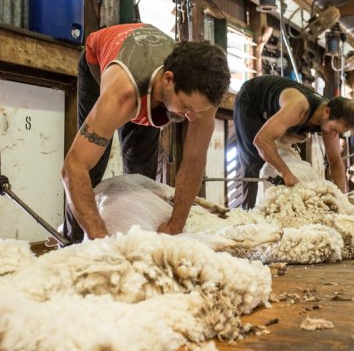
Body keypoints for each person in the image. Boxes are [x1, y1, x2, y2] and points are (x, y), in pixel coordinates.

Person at [62, 23, 231, 242]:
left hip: (151, 81)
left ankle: (140, 242)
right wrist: (101, 240)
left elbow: (194, 162)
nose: (190, 117)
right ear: (169, 80)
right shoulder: (122, 94)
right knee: (92, 169)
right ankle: (71, 241)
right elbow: (73, 168)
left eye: (197, 111)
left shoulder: (202, 97)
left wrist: (175, 225)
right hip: (100, 62)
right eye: (187, 107)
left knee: (141, 172)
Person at [234, 75, 354, 209]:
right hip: (251, 102)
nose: (333, 134)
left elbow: (335, 161)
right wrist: (286, 174)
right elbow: (261, 140)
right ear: (326, 112)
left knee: (286, 163)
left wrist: (341, 197)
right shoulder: (298, 106)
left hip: (276, 114)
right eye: (334, 129)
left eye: (338, 133)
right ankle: (248, 213)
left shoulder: (329, 120)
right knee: (255, 162)